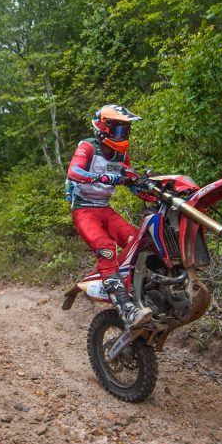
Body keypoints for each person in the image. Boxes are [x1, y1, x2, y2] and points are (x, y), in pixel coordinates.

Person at [65, 104, 154, 327]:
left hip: (105, 209)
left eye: (125, 131)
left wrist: (151, 192)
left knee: (139, 241)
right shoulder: (88, 147)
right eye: (119, 130)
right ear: (103, 128)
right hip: (84, 210)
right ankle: (125, 308)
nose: (122, 135)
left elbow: (132, 184)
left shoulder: (122, 155)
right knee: (106, 248)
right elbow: (73, 172)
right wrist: (99, 177)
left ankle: (141, 292)